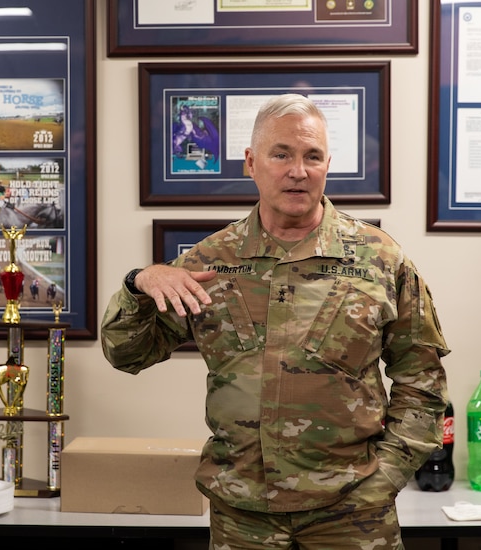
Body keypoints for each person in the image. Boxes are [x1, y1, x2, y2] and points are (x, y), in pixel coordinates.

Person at [101, 93, 449, 549]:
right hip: (244, 517)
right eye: (281, 154)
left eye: (313, 156)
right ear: (251, 162)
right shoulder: (209, 260)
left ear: (328, 165)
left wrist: (386, 476)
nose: (297, 171)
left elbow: (422, 379)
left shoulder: (380, 259)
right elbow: (127, 354)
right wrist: (138, 283)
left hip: (353, 515)